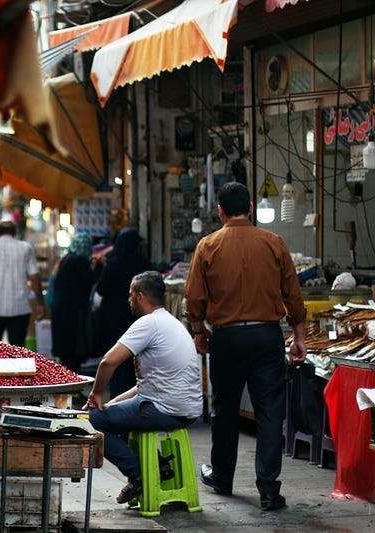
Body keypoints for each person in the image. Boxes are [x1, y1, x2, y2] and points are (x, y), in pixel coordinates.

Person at [184, 181, 306, 511]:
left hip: (227, 338)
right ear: (251, 208)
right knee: (269, 412)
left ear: (220, 211)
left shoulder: (208, 245)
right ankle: (268, 489)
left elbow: (194, 298)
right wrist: (299, 335)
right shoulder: (274, 243)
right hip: (267, 336)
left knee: (224, 410)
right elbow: (293, 295)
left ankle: (222, 476)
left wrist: (198, 331)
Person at [85, 270, 203, 504]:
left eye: (130, 295)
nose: (128, 300)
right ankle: (160, 465)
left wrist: (97, 393)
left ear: (140, 296)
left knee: (91, 420)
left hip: (166, 409)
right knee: (112, 414)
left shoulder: (149, 323)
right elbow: (144, 387)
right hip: (183, 409)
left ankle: (138, 475)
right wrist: (112, 403)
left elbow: (108, 361)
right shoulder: (172, 322)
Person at [93, 227, 152, 398]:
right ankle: (134, 395)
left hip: (113, 315)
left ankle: (118, 396)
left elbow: (101, 288)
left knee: (116, 353)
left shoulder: (113, 263)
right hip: (137, 314)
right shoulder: (142, 263)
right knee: (135, 353)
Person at [0, 219, 44, 347]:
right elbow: (35, 277)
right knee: (17, 350)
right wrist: (40, 303)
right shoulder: (25, 247)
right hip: (19, 308)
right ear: (14, 232)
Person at [51, 232, 100, 372]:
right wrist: (99, 266)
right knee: (74, 351)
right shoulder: (79, 260)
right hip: (73, 314)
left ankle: (68, 387)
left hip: (62, 312)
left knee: (67, 354)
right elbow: (92, 279)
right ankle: (73, 389)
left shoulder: (66, 259)